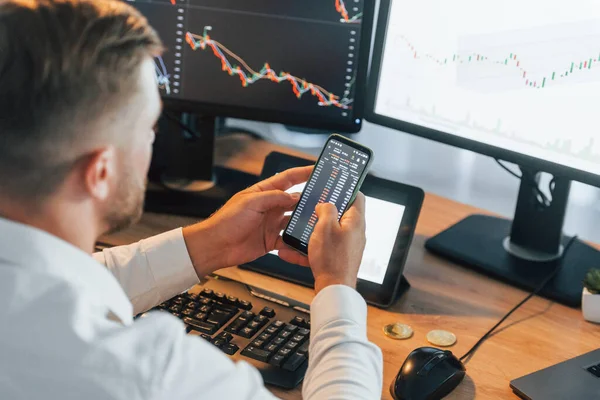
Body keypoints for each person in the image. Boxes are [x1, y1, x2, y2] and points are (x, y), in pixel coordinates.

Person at [0, 0, 383, 399]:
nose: (153, 140)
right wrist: (338, 288)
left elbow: (58, 280)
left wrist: (211, 243)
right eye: (149, 127)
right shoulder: (148, 374)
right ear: (101, 172)